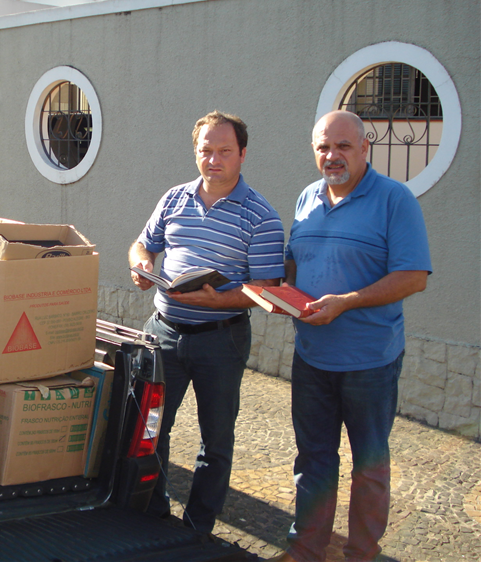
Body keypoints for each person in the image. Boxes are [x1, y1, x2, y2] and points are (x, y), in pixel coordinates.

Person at [271, 110, 431, 562]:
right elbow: (295, 264)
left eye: (343, 146)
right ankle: (306, 549)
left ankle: (362, 553)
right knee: (314, 461)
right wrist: (268, 287)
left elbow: (414, 276)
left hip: (370, 362)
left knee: (370, 468)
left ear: (365, 148)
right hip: (311, 357)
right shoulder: (306, 198)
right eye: (324, 146)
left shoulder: (394, 199)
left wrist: (346, 300)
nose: (332, 155)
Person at [129, 110, 285, 536]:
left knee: (215, 441)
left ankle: (197, 527)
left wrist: (220, 299)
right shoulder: (174, 198)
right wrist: (142, 265)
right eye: (206, 150)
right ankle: (155, 512)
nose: (214, 159)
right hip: (162, 332)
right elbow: (143, 244)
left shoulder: (263, 217)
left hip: (221, 340)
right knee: (151, 427)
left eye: (224, 151)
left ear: (242, 155)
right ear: (195, 152)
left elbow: (267, 287)